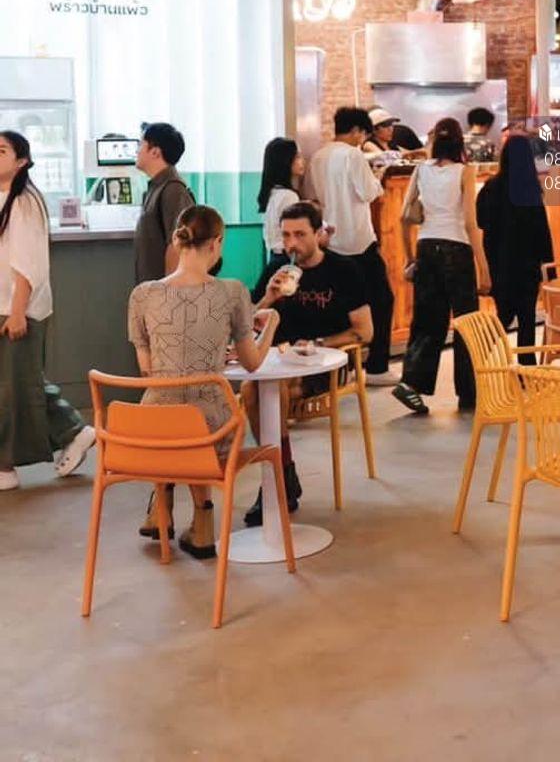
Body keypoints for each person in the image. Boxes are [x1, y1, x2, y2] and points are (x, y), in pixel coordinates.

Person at [128, 205, 275, 556]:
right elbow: (252, 363)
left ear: (177, 241)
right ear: (217, 243)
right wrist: (272, 323)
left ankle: (160, 507)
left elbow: (148, 371)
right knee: (199, 411)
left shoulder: (142, 295)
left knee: (168, 405)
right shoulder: (232, 292)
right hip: (211, 431)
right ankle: (203, 522)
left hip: (149, 431)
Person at [246, 201, 372, 525]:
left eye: (300, 235)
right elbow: (249, 326)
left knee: (272, 392)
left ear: (318, 234)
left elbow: (364, 331)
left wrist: (316, 345)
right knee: (250, 390)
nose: (292, 243)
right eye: (286, 235)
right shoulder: (277, 269)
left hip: (327, 364)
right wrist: (269, 298)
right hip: (280, 361)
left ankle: (275, 483)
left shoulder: (343, 270)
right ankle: (281, 476)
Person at [0, 131, 95, 492]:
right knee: (22, 380)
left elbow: (27, 264)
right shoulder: (5, 197)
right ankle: (74, 430)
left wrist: (18, 311)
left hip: (16, 308)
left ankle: (5, 467)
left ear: (21, 161)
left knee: (13, 389)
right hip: (4, 306)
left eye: (2, 150)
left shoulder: (25, 202)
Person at [393, 119, 491, 415]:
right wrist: (483, 268)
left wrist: (410, 258)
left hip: (426, 247)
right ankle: (469, 393)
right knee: (466, 323)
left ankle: (411, 384)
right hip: (456, 249)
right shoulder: (465, 171)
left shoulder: (421, 169)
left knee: (427, 321)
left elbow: (404, 217)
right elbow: (470, 223)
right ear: (460, 142)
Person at [307, 107, 394, 386]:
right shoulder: (352, 155)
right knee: (381, 302)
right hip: (359, 242)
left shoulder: (318, 156)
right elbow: (368, 192)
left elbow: (313, 197)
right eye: (363, 133)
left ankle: (340, 372)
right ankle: (377, 368)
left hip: (330, 244)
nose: (362, 139)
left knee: (341, 309)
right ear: (357, 131)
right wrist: (378, 178)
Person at [476, 134, 554, 351]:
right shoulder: (531, 189)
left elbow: (480, 221)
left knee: (504, 315)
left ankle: (481, 351)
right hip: (527, 267)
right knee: (527, 321)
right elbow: (542, 232)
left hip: (499, 264)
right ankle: (526, 365)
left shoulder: (490, 187)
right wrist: (551, 270)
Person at [134, 122, 195, 283]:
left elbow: (177, 246)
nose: (137, 151)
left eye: (140, 145)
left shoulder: (173, 190)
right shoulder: (156, 188)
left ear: (155, 152)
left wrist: (167, 292)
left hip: (165, 292)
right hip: (151, 288)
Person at [257, 137, 305, 266]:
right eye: (297, 157)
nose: (302, 161)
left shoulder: (273, 192)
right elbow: (296, 231)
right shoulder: (289, 196)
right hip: (287, 256)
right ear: (285, 161)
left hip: (275, 256)